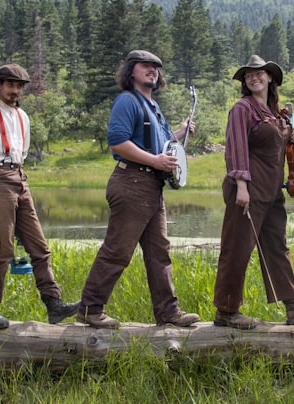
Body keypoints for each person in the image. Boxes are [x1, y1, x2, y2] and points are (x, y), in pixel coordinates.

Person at [74, 50, 200, 329]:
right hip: (132, 182)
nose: (152, 70)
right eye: (146, 66)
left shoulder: (153, 107)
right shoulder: (127, 101)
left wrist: (179, 133)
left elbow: (163, 141)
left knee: (159, 252)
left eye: (156, 67)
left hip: (151, 187)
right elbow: (118, 142)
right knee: (118, 250)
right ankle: (90, 308)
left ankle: (168, 312)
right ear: (132, 71)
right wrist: (156, 160)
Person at [212, 55, 294, 330]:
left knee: (278, 247)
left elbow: (273, 144)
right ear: (245, 82)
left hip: (272, 194)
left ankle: (293, 305)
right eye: (249, 75)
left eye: (259, 73)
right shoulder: (242, 109)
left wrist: (291, 134)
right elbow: (236, 147)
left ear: (270, 79)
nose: (254, 78)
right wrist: (241, 186)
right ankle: (227, 312)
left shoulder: (274, 113)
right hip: (248, 192)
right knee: (236, 250)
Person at [0, 63, 78, 329]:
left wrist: (20, 180)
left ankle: (54, 304)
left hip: (19, 178)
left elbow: (20, 153)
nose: (14, 91)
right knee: (2, 251)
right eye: (10, 85)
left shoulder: (23, 116)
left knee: (39, 247)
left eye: (19, 86)